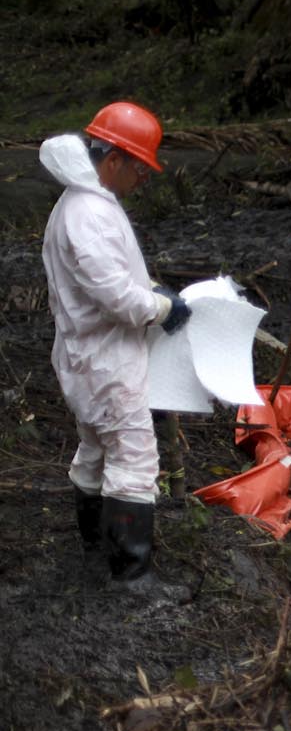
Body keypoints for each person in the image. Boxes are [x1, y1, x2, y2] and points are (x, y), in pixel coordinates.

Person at [39, 101, 192, 603]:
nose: (142, 178)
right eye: (139, 168)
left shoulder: (85, 203)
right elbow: (116, 297)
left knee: (97, 449)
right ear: (114, 160)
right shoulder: (88, 212)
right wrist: (160, 309)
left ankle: (93, 547)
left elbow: (112, 279)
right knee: (133, 456)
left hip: (90, 356)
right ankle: (132, 577)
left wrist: (153, 294)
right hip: (105, 359)